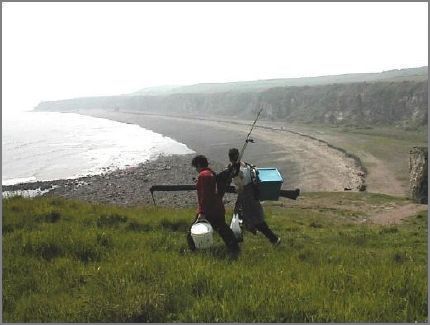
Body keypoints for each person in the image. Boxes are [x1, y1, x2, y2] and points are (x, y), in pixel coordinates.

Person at [187, 154, 240, 255]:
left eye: (195, 167)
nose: (196, 170)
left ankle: (194, 251)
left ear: (198, 165)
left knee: (192, 232)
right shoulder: (211, 173)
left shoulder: (203, 176)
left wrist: (202, 212)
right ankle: (235, 249)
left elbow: (205, 195)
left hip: (208, 211)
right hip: (217, 208)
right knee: (224, 231)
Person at [228, 148, 281, 246]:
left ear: (230, 158)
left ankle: (274, 239)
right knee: (253, 218)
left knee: (257, 221)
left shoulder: (236, 170)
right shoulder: (246, 165)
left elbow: (240, 188)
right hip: (253, 194)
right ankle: (270, 237)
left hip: (247, 197)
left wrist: (236, 190)